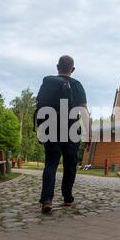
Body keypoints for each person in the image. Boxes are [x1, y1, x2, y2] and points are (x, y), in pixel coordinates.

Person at [36, 55, 90, 214]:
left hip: (50, 127)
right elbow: (84, 111)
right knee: (70, 164)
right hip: (71, 129)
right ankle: (67, 198)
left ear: (57, 67)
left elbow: (39, 106)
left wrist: (41, 129)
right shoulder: (77, 85)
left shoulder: (48, 83)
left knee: (51, 164)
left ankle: (47, 199)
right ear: (72, 69)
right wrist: (88, 134)